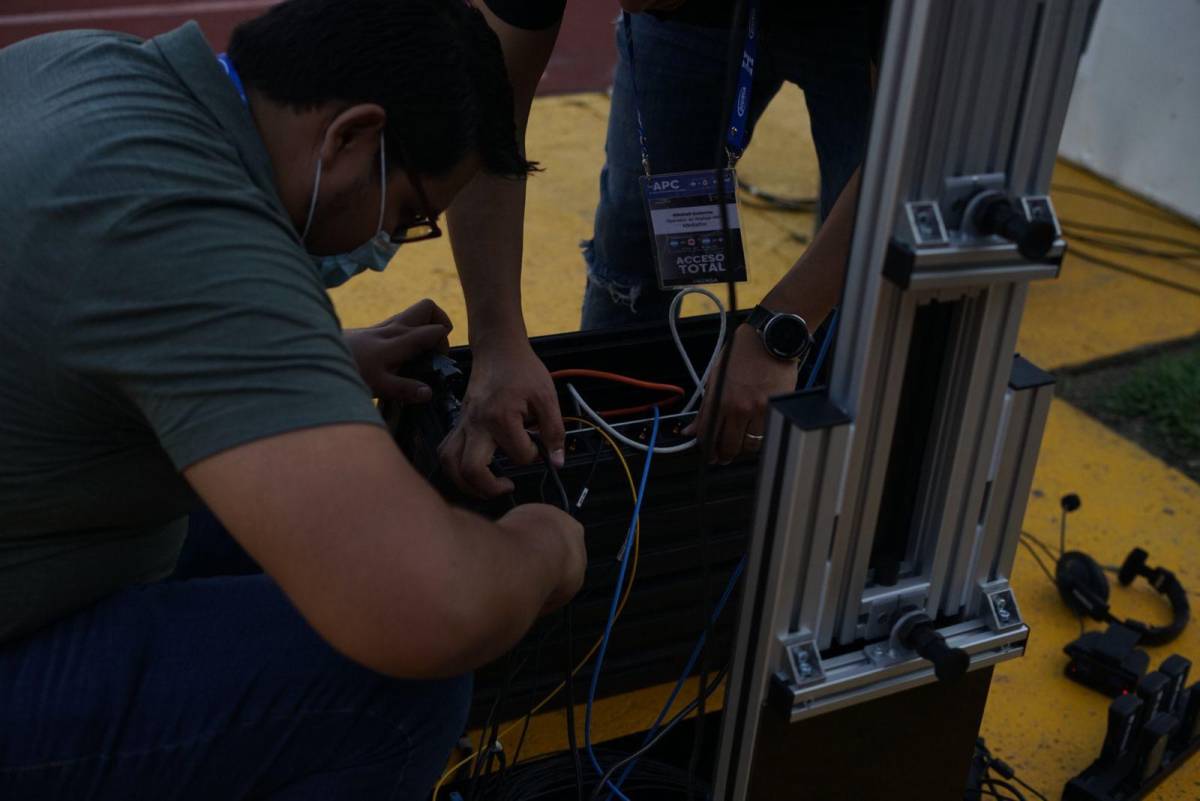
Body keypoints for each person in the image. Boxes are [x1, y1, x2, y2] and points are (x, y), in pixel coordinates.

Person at [0, 1, 584, 799]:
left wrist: (313, 366)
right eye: (409, 214)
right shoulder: (188, 229)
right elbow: (424, 608)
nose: (388, 238)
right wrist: (544, 547)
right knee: (399, 688)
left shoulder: (85, 69)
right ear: (350, 138)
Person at [441, 0, 880, 494]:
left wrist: (781, 331)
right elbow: (487, 120)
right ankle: (607, 474)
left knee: (868, 296)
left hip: (868, 27)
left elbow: (910, 153)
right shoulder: (660, 12)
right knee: (633, 253)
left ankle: (841, 485)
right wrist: (497, 341)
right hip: (691, 31)